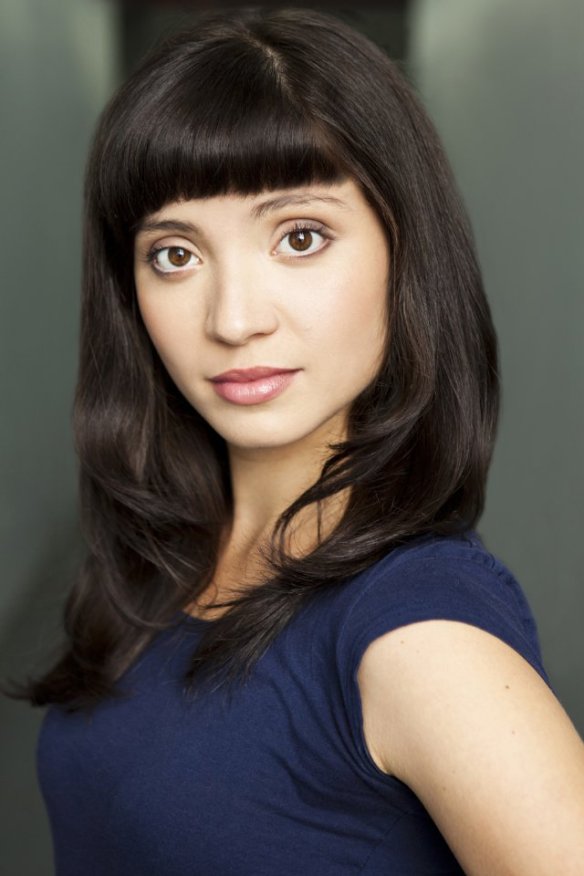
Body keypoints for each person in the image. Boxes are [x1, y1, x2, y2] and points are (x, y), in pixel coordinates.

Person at [11, 6, 584, 874]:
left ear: (404, 252)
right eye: (175, 255)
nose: (234, 319)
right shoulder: (170, 559)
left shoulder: (419, 630)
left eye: (300, 237)